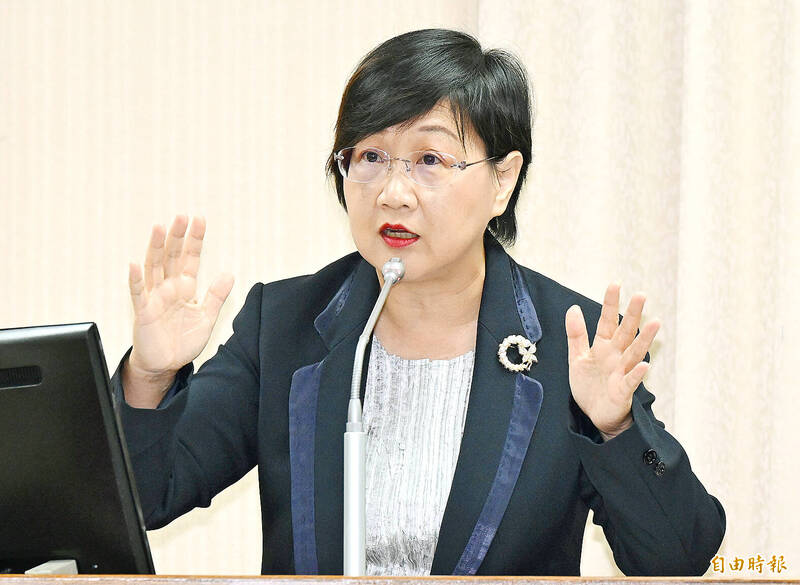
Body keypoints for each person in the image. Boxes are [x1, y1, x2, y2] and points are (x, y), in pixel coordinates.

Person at [113, 29, 725, 576]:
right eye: (370, 157)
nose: (394, 193)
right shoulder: (287, 324)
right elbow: (147, 498)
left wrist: (615, 427)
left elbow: (677, 556)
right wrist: (150, 373)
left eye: (429, 160)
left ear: (503, 181)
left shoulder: (571, 342)